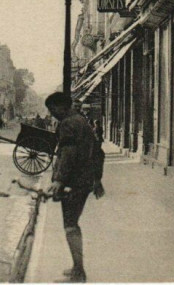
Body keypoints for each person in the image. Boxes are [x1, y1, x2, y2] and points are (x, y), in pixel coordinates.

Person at [44, 92, 98, 283]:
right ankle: (77, 267)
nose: (52, 114)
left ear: (61, 107)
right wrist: (97, 180)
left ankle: (79, 273)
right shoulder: (81, 120)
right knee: (72, 224)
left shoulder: (67, 123)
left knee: (70, 225)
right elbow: (97, 151)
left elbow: (67, 153)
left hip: (73, 182)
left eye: (52, 110)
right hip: (83, 180)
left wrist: (59, 180)